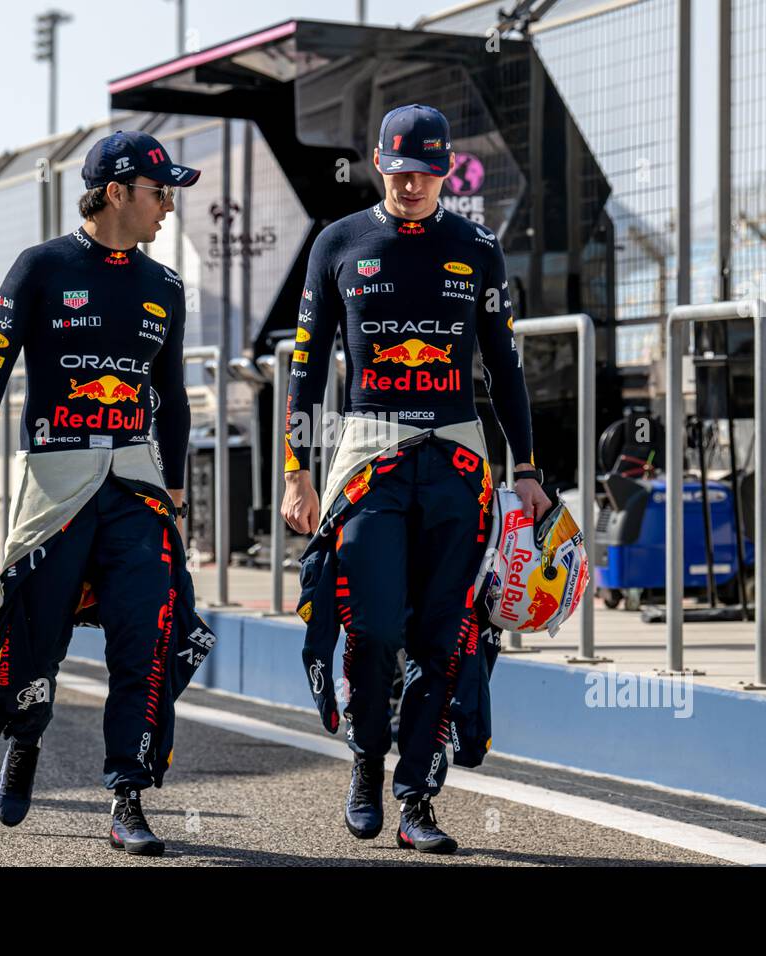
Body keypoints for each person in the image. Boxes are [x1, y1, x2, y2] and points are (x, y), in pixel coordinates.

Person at [281, 104, 551, 854]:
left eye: (425, 170)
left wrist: (526, 468)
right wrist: (296, 473)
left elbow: (504, 366)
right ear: (377, 161)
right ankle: (367, 765)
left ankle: (418, 799)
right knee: (370, 629)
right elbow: (306, 371)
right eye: (399, 169)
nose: (410, 183)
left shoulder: (477, 246)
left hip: (459, 456)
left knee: (447, 634)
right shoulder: (338, 242)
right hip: (370, 452)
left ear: (446, 169)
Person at [0, 130, 212, 856]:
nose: (168, 208)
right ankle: (25, 735)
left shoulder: (165, 286)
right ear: (116, 193)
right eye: (160, 193)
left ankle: (128, 794)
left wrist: (176, 492)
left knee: (149, 633)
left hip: (137, 487)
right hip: (54, 477)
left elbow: (174, 399)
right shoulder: (41, 268)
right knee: (35, 633)